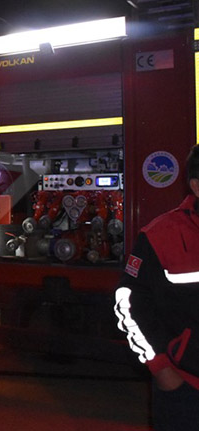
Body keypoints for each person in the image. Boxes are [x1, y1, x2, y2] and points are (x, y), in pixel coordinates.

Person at [114, 146, 199, 430]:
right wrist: (161, 367)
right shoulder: (161, 235)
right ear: (197, 186)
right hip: (187, 389)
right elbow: (129, 302)